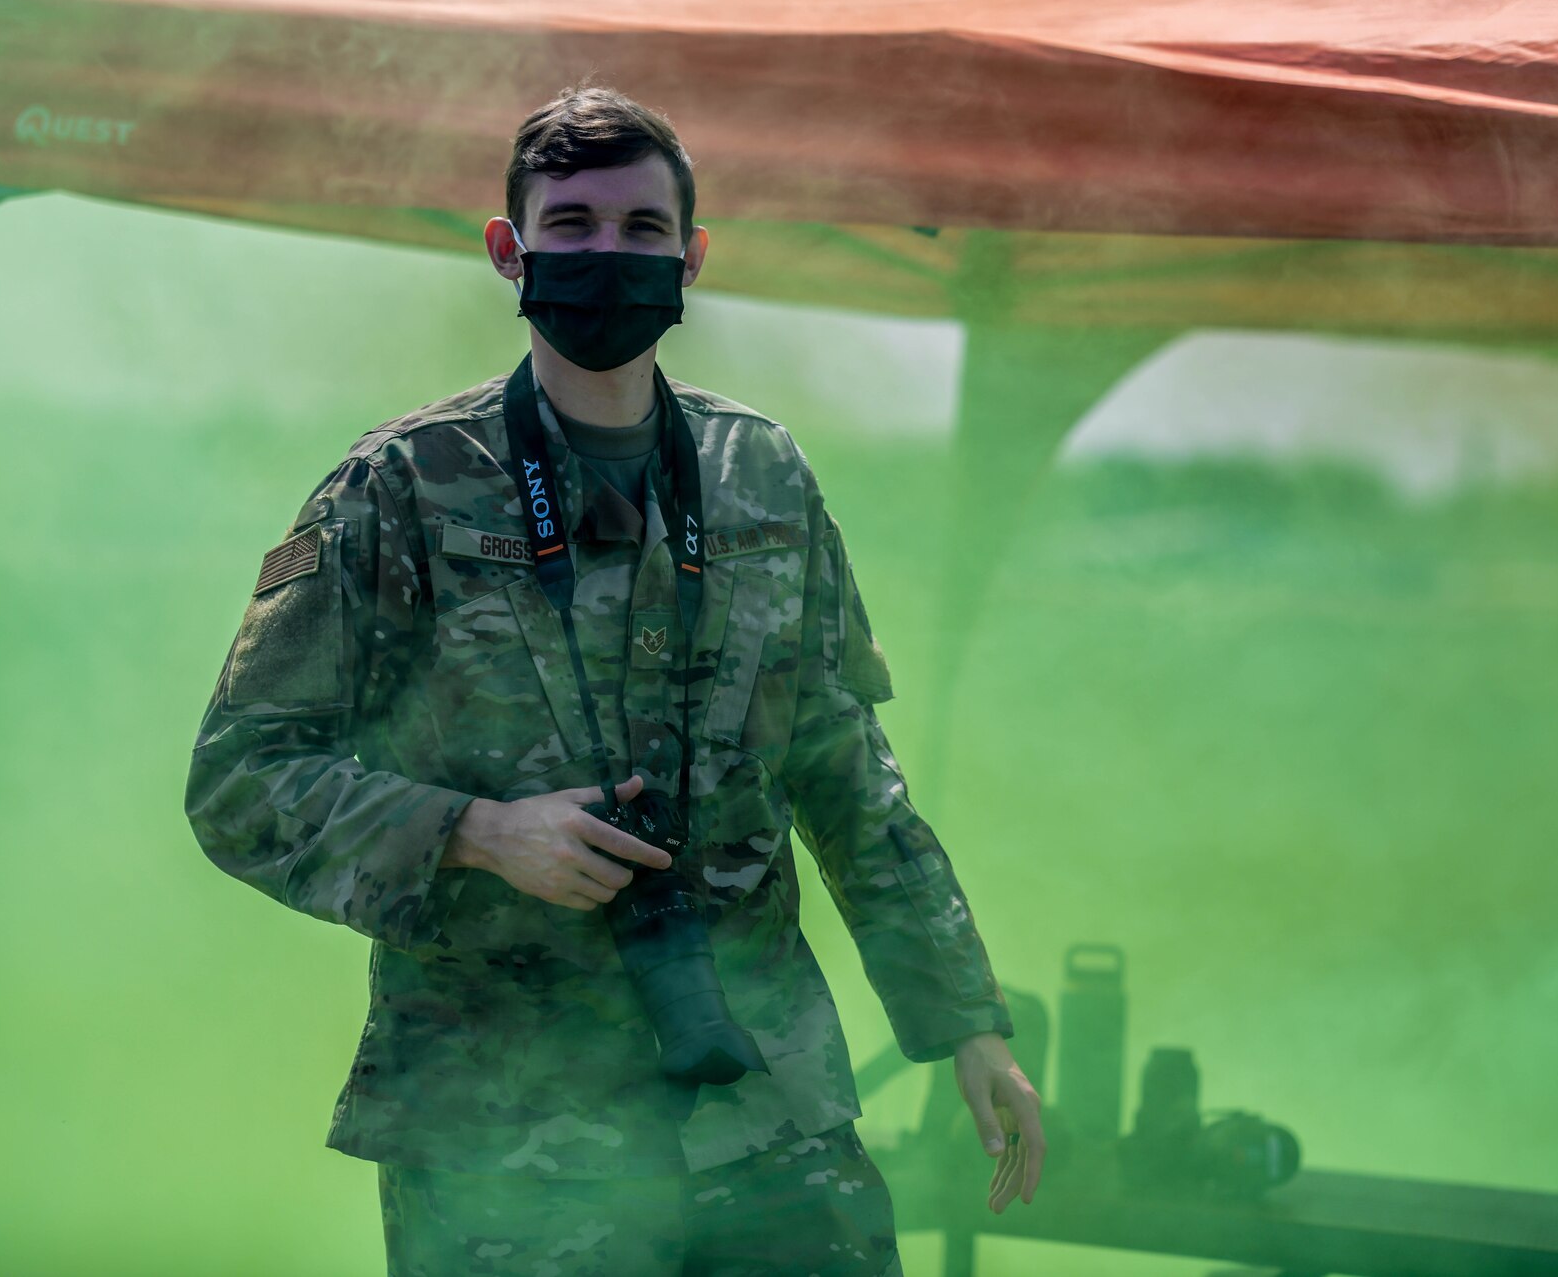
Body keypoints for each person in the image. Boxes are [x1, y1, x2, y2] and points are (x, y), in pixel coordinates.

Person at [186, 85, 1044, 1276]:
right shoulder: (401, 484)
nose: (608, 255)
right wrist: (478, 832)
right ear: (510, 249)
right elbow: (241, 779)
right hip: (507, 1144)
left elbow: (845, 773)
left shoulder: (761, 474)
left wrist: (963, 1020)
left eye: (643, 231)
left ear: (690, 259)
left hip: (766, 1107)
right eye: (573, 224)